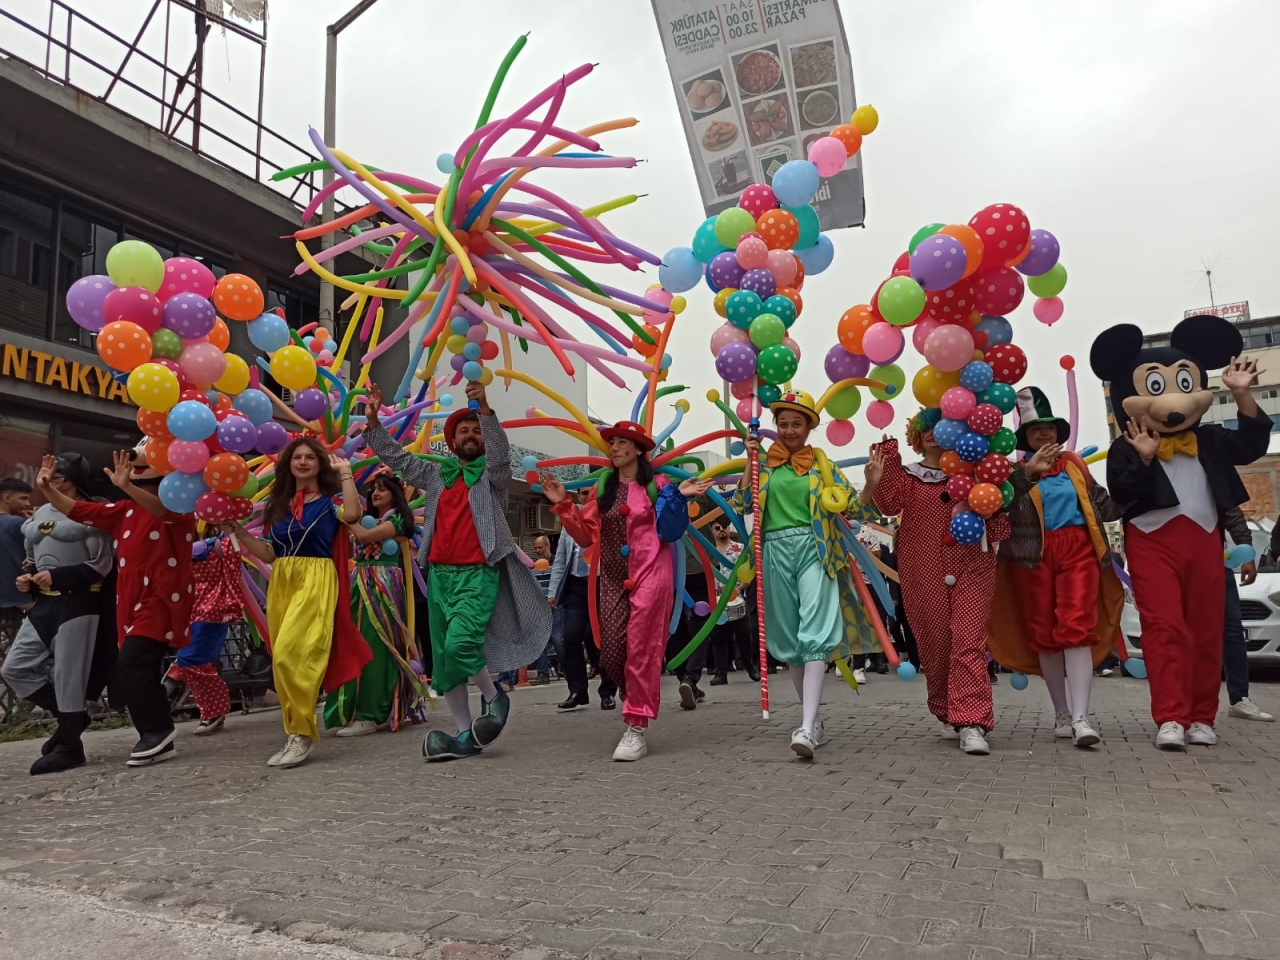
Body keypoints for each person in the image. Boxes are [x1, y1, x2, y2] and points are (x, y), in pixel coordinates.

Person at [1091, 316, 1270, 750]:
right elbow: (1122, 496)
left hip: (1206, 541)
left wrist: (1243, 394)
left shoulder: (1209, 438)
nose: (1174, 400)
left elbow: (1252, 447)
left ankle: (1201, 716)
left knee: (1207, 629)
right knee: (1164, 628)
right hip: (1152, 542)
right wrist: (1146, 459)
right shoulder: (1126, 446)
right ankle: (1170, 715)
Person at [363, 380, 551, 761]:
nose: (470, 434)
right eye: (463, 430)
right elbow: (399, 460)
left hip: (478, 572)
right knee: (446, 662)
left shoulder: (492, 476)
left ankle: (495, 698)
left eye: (476, 430)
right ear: (452, 441)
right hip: (439, 576)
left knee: (460, 645)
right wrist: (372, 423)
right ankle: (465, 734)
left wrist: (485, 411)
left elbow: (500, 456)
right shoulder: (435, 474)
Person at [540, 420, 710, 761]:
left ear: (637, 450)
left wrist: (677, 495)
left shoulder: (659, 485)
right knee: (612, 653)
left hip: (651, 574)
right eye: (612, 443)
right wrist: (564, 506)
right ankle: (636, 690)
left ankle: (636, 726)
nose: (614, 448)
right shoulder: (601, 491)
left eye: (621, 443)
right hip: (612, 579)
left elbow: (670, 530)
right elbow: (587, 537)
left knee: (641, 650)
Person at [735, 391, 883, 758]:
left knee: (813, 630)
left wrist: (871, 484)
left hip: (816, 549)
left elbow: (856, 509)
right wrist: (748, 464)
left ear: (809, 427)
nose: (788, 430)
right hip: (773, 551)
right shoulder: (763, 466)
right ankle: (812, 720)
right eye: (782, 423)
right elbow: (741, 504)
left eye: (795, 423)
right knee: (788, 640)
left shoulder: (823, 466)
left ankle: (806, 725)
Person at [863, 411, 1010, 756]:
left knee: (967, 639)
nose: (931, 434)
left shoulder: (976, 473)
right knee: (936, 641)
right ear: (916, 435)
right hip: (922, 567)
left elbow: (1001, 528)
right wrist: (876, 478)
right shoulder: (910, 477)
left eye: (939, 427)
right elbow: (886, 503)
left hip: (973, 563)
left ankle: (972, 720)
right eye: (924, 429)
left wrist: (992, 507)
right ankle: (947, 708)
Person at [987, 387, 1125, 748]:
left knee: (1076, 625)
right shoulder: (1015, 470)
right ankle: (1061, 713)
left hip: (1077, 549)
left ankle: (1081, 717)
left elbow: (1106, 507)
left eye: (1048, 427)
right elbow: (1000, 510)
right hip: (1031, 557)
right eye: (1036, 430)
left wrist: (1137, 468)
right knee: (1045, 632)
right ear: (1026, 437)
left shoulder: (1076, 465)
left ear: (1058, 431)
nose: (1043, 434)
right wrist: (1028, 475)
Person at [43, 445, 197, 767]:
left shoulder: (182, 508)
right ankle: (157, 732)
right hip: (130, 598)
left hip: (161, 597)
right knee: (132, 667)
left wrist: (126, 486)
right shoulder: (124, 509)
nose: (134, 464)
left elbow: (162, 512)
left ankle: (157, 730)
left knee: (131, 664)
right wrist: (46, 489)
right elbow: (79, 511)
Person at [224, 438, 370, 768]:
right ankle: (295, 731)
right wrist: (239, 533)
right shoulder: (280, 505)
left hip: (316, 577)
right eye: (297, 457)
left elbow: (352, 513)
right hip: (283, 580)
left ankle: (302, 734)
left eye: (309, 458)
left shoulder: (331, 502)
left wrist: (346, 473)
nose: (303, 462)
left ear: (320, 464)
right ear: (289, 464)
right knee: (281, 661)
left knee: (293, 654)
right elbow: (269, 553)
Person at [1, 456, 112, 774]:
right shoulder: (40, 513)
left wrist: (58, 577)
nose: (49, 477)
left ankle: (70, 745)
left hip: (79, 603)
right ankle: (71, 721)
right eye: (47, 472)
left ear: (72, 478)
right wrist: (30, 576)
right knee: (15, 668)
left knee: (68, 676)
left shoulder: (91, 512)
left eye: (58, 474)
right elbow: (35, 557)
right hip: (44, 604)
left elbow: (101, 565)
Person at [323, 470, 422, 737]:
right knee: (354, 640)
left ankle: (370, 713)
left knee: (376, 642)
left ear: (395, 493)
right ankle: (356, 708)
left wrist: (346, 517)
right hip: (360, 580)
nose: (376, 493)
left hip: (382, 586)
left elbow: (366, 538)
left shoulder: (398, 520)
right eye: (374, 488)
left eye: (383, 488)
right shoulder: (371, 519)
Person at [166, 534, 243, 736]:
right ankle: (210, 711)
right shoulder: (182, 535)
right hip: (190, 609)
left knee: (191, 659)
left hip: (213, 609)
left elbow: (234, 574)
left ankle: (214, 710)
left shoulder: (227, 541)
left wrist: (232, 607)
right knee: (192, 660)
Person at [548, 493, 618, 711]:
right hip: (576, 586)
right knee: (570, 635)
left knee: (603, 639)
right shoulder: (571, 516)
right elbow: (560, 559)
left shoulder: (609, 516)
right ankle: (577, 690)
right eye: (584, 491)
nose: (589, 495)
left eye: (593, 491)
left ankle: (607, 692)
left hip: (602, 585)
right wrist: (552, 590)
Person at [1221, 506, 1272, 721]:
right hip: (1170, 561)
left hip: (1214, 561)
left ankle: (1239, 698)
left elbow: (1231, 512)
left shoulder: (1213, 472)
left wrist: (1247, 554)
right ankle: (1180, 704)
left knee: (1232, 630)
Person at [707, 519, 758, 686]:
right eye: (717, 528)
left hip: (737, 599)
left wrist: (744, 582)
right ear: (712, 530)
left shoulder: (739, 549)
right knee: (718, 637)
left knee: (744, 635)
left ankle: (749, 665)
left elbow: (748, 569)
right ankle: (721, 672)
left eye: (725, 527)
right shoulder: (708, 550)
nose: (722, 530)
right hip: (716, 600)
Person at [0, 478, 33, 648]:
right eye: (23, 498)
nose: (27, 503)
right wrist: (33, 523)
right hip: (20, 598)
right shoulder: (18, 524)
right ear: (7, 498)